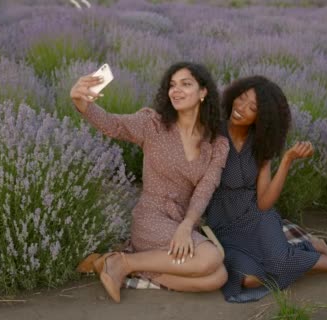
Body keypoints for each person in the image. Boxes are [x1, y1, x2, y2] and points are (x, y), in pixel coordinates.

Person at [205, 76, 327, 303]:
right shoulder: (211, 132)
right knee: (246, 279)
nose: (241, 108)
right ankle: (311, 249)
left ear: (262, 117)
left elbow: (264, 203)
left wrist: (286, 161)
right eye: (241, 98)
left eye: (252, 107)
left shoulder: (260, 143)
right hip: (223, 223)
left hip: (255, 217)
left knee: (279, 263)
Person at [69, 62, 229, 303]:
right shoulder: (152, 124)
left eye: (186, 84)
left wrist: (187, 225)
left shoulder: (216, 144)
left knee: (217, 278)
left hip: (180, 223)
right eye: (172, 85)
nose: (176, 90)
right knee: (211, 259)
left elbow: (205, 189)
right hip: (150, 218)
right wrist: (81, 102)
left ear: (203, 92)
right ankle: (122, 262)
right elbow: (113, 124)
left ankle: (121, 263)